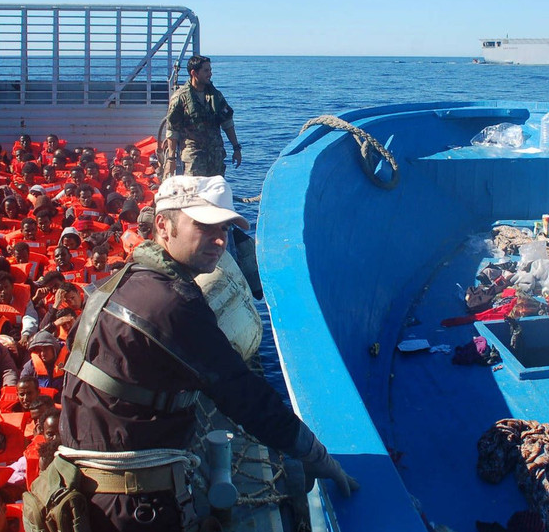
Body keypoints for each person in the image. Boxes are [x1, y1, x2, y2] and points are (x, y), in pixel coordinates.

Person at [43, 175, 355, 532]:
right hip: (130, 506)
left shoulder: (122, 281)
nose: (220, 240)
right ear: (163, 225)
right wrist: (315, 455)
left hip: (89, 490)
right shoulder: (172, 304)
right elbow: (244, 395)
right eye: (205, 227)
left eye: (224, 228)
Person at [162, 56, 241, 177]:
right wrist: (171, 159)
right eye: (206, 71)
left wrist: (236, 148)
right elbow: (172, 130)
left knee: (216, 188)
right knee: (194, 188)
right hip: (194, 159)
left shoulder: (216, 96)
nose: (210, 74)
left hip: (215, 157)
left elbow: (227, 123)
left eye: (210, 70)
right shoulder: (180, 98)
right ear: (194, 73)